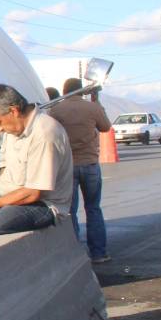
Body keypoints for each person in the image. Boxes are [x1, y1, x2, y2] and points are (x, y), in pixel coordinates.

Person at [0, 84, 74, 243]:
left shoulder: (44, 133)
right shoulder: (14, 129)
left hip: (43, 206)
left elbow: (33, 193)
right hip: (16, 199)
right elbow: (6, 167)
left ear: (14, 111)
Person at [47, 77, 113, 263]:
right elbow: (106, 127)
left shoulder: (56, 110)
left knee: (70, 211)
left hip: (68, 167)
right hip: (90, 164)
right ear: (82, 90)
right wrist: (96, 101)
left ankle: (75, 253)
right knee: (93, 209)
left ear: (65, 90)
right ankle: (99, 253)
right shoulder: (92, 108)